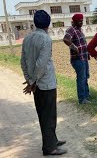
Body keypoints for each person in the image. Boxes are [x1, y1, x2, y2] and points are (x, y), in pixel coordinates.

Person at [20, 10, 67, 156]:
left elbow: (23, 62)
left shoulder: (27, 39)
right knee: (49, 115)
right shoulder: (46, 39)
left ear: (35, 23)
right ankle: (49, 148)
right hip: (45, 83)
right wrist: (32, 82)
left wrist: (29, 80)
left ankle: (52, 140)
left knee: (44, 114)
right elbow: (41, 64)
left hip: (36, 84)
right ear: (48, 24)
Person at [63, 13, 91, 104]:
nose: (81, 22)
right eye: (79, 21)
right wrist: (74, 47)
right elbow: (66, 39)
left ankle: (86, 95)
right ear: (74, 21)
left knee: (86, 76)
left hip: (84, 58)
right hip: (78, 59)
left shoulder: (79, 30)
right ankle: (82, 99)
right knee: (81, 78)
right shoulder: (71, 30)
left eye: (82, 21)